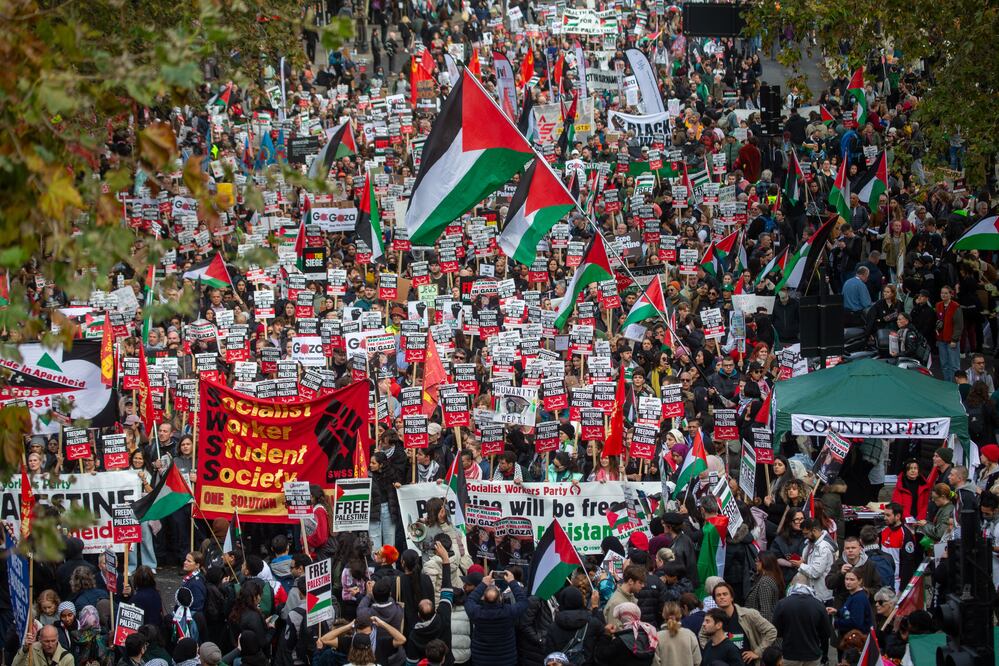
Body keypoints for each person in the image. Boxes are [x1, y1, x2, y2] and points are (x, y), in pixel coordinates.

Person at [698, 582, 777, 663]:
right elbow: (702, 635)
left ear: (732, 597)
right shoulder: (713, 618)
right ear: (715, 600)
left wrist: (758, 652)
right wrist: (713, 652)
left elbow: (771, 631)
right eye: (718, 595)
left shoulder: (749, 614)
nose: (722, 597)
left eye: (725, 594)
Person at [465, 570, 529, 666]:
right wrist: (512, 582)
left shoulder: (476, 612)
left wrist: (483, 584)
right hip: (506, 660)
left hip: (481, 660)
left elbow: (470, 600)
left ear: (483, 598)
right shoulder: (508, 612)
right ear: (500, 598)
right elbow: (523, 602)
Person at [772, 576, 831, 666]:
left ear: (792, 585)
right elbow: (826, 633)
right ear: (808, 586)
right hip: (812, 655)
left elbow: (776, 631)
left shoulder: (782, 604)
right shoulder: (818, 605)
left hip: (790, 655)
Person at [880, 502, 922, 592]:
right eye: (884, 515)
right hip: (883, 577)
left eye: (888, 515)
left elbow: (908, 563)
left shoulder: (905, 534)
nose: (885, 518)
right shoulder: (884, 531)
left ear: (898, 516)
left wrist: (903, 587)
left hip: (897, 581)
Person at [793, 518, 836, 603]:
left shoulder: (823, 548)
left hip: (822, 596)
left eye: (806, 533)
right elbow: (808, 563)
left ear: (815, 531)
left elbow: (815, 572)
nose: (804, 536)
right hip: (813, 593)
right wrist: (803, 562)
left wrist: (800, 565)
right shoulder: (810, 544)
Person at [651, 602, 701, 666]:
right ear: (680, 615)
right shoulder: (690, 635)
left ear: (663, 615)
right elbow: (697, 661)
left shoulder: (657, 637)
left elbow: (655, 663)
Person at [829, 570, 874, 639]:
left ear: (860, 581)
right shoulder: (852, 595)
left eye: (852, 580)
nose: (848, 582)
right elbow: (848, 613)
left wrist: (835, 623)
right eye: (846, 579)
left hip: (857, 640)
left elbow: (855, 622)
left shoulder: (859, 598)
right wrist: (837, 612)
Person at [935, 285, 964, 381]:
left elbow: (959, 326)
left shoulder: (956, 306)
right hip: (941, 340)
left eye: (946, 293)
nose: (943, 295)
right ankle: (947, 384)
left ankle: (956, 386)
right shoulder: (938, 305)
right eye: (942, 293)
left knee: (954, 365)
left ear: (951, 294)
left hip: (952, 340)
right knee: (944, 364)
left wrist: (954, 339)